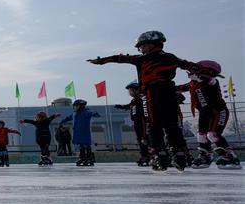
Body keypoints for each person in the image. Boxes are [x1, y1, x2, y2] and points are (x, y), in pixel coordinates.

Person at [88, 30, 203, 171]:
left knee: (153, 125)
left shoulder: (142, 59)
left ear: (150, 45)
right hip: (169, 91)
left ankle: (160, 153)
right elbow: (189, 65)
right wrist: (206, 71)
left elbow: (120, 58)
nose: (140, 49)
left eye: (142, 46)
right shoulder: (171, 57)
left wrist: (101, 61)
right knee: (171, 124)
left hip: (152, 93)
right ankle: (178, 152)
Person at [179, 60, 240, 169]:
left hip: (218, 112)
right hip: (204, 113)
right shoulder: (193, 84)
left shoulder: (211, 82)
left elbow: (211, 80)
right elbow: (179, 88)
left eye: (196, 69)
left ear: (208, 71)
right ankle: (205, 156)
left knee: (213, 134)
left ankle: (229, 156)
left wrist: (202, 76)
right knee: (201, 135)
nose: (192, 72)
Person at [114, 81, 150, 166]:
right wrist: (121, 107)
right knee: (140, 139)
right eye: (129, 91)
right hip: (136, 122)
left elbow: (144, 108)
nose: (130, 93)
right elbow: (130, 106)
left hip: (142, 121)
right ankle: (144, 155)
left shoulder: (142, 98)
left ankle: (149, 155)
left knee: (144, 138)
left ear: (137, 90)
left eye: (131, 90)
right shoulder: (134, 100)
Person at [60, 99, 100, 166]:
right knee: (81, 146)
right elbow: (69, 117)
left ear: (81, 106)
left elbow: (91, 113)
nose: (75, 107)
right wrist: (62, 121)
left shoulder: (86, 112)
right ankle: (82, 157)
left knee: (86, 145)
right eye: (74, 106)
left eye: (76, 106)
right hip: (78, 132)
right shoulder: (75, 113)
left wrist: (94, 113)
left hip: (84, 132)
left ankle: (89, 157)